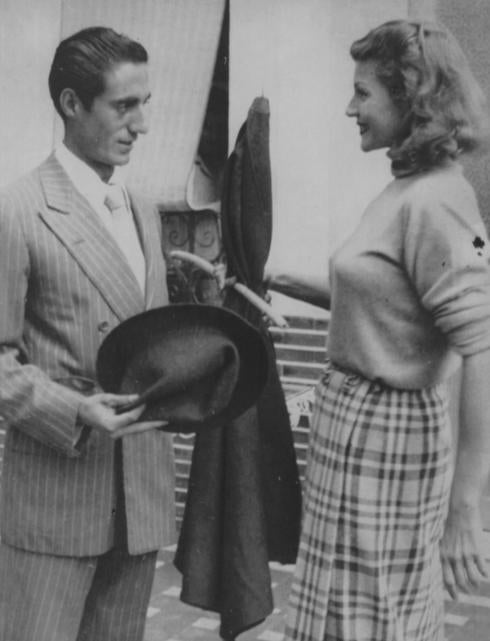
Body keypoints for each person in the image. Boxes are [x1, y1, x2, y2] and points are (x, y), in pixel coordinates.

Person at [267, 20, 490, 641]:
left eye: (363, 93)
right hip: (353, 427)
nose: (350, 108)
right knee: (342, 613)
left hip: (389, 434)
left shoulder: (439, 201)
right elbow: (384, 300)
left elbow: (482, 346)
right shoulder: (404, 191)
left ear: (412, 97)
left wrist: (466, 505)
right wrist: (272, 276)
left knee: (375, 619)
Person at [0, 27, 176, 641]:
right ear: (72, 104)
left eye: (144, 103)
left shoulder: (143, 210)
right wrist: (76, 410)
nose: (141, 124)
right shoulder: (19, 210)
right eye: (123, 106)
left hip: (138, 498)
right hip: (56, 500)